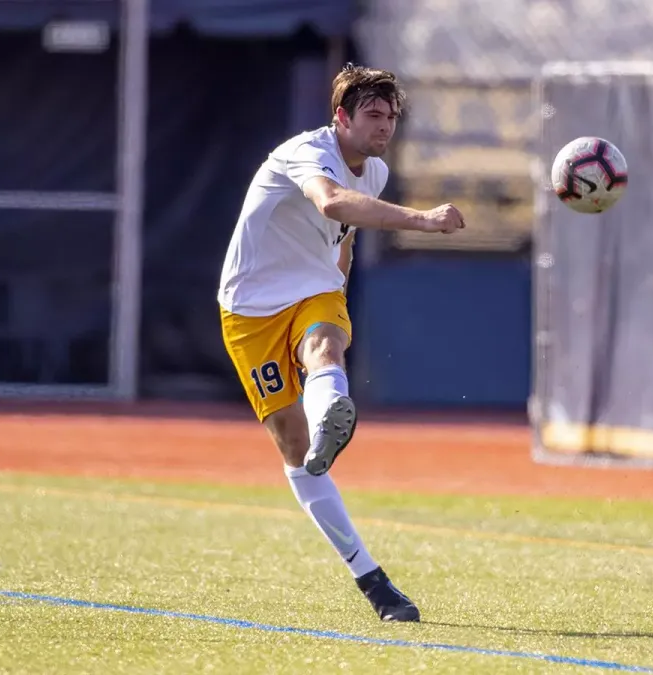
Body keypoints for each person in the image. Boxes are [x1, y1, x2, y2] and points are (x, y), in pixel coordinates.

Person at [216, 64, 466, 621]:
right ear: (341, 118)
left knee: (326, 349)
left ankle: (377, 585)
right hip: (249, 307)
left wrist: (338, 295)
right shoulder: (307, 153)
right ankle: (359, 553)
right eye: (374, 115)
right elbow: (330, 203)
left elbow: (342, 238)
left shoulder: (372, 171)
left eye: (391, 117)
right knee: (295, 452)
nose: (384, 127)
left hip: (314, 290)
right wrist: (422, 220)